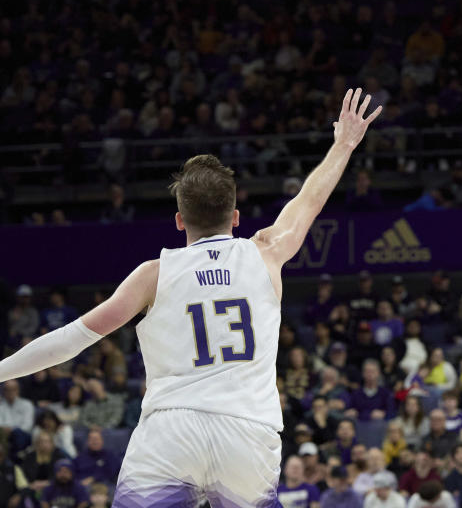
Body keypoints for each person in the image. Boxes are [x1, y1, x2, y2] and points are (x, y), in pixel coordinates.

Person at [0, 89, 381, 507]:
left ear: (179, 220)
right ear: (235, 217)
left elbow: (73, 339)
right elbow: (309, 200)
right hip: (247, 434)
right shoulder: (267, 253)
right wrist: (344, 144)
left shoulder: (153, 274)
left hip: (172, 430)